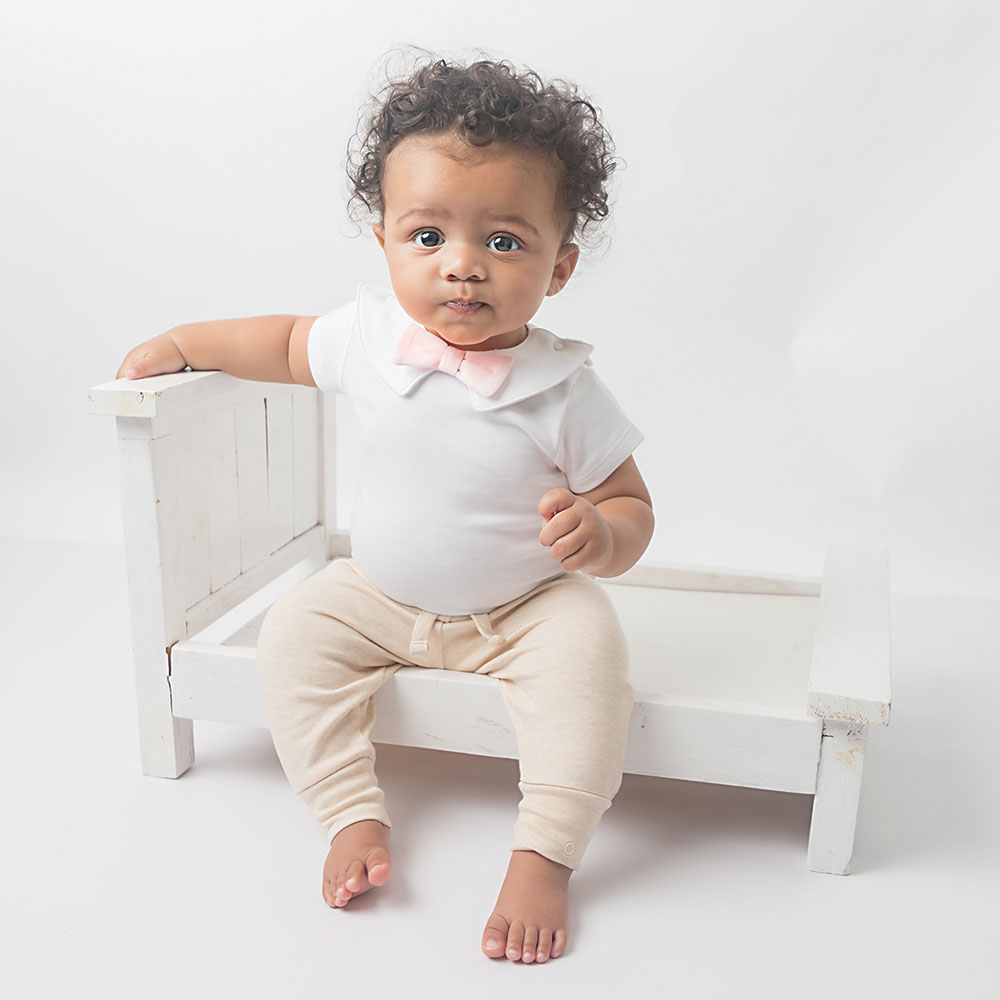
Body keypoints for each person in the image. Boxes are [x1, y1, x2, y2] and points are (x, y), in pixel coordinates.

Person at [116, 55, 654, 965]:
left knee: (591, 655)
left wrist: (600, 536)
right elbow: (281, 343)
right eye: (429, 236)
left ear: (560, 266)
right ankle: (349, 815)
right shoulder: (370, 339)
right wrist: (183, 341)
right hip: (381, 594)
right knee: (292, 633)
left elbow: (631, 504)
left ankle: (546, 854)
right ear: (385, 241)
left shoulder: (565, 386)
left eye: (506, 243)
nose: (464, 269)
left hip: (522, 609)